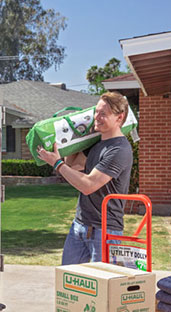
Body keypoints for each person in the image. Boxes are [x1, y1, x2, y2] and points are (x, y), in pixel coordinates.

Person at [37, 91, 133, 265]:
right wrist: (71, 139)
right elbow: (73, 167)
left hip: (105, 230)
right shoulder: (96, 144)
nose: (97, 117)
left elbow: (88, 185)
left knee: (102, 286)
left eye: (103, 114)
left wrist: (57, 163)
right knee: (69, 282)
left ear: (120, 118)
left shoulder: (119, 150)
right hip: (80, 224)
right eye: (96, 112)